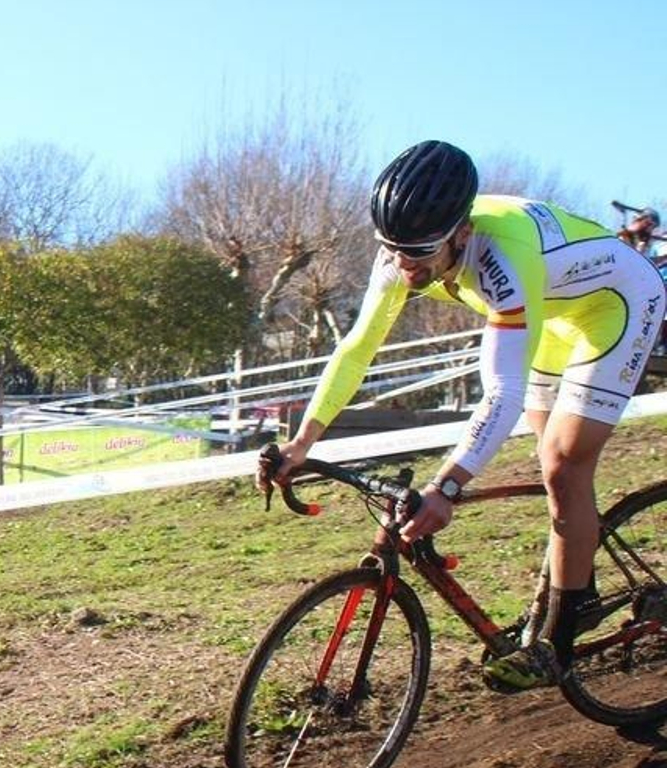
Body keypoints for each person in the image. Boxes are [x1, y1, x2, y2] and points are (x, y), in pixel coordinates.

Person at [262, 140, 666, 691]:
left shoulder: (503, 258)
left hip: (617, 303)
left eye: (418, 251)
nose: (403, 263)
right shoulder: (402, 252)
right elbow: (356, 350)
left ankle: (558, 643)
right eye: (390, 248)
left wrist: (447, 486)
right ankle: (579, 589)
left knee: (563, 465)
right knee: (552, 466)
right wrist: (301, 443)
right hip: (554, 314)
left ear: (462, 233)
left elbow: (502, 391)